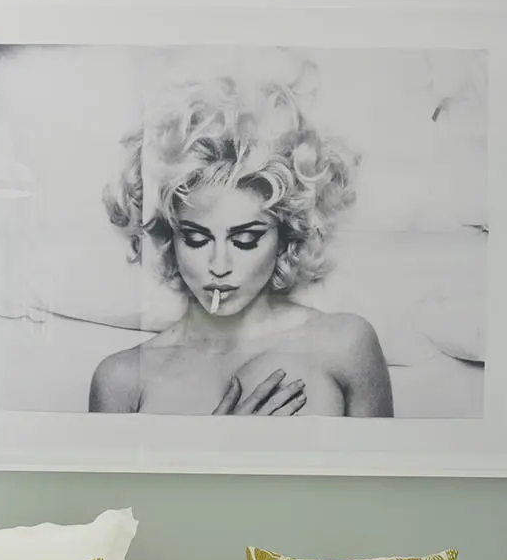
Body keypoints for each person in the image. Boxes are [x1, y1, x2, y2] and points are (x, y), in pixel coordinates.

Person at [89, 78, 393, 417]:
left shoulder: (345, 343)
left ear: (285, 235)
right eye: (196, 239)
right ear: (169, 237)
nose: (220, 265)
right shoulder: (121, 379)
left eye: (245, 239)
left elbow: (377, 471)